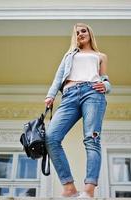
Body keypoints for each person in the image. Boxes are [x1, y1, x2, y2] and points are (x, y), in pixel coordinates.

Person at [44, 23, 111, 198]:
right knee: (51, 137)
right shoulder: (69, 55)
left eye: (83, 31)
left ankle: (89, 191)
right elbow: (58, 77)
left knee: (92, 140)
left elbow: (105, 79)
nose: (80, 34)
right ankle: (69, 188)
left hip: (93, 94)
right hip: (69, 95)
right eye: (77, 32)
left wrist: (106, 85)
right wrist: (50, 95)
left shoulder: (100, 56)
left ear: (90, 33)